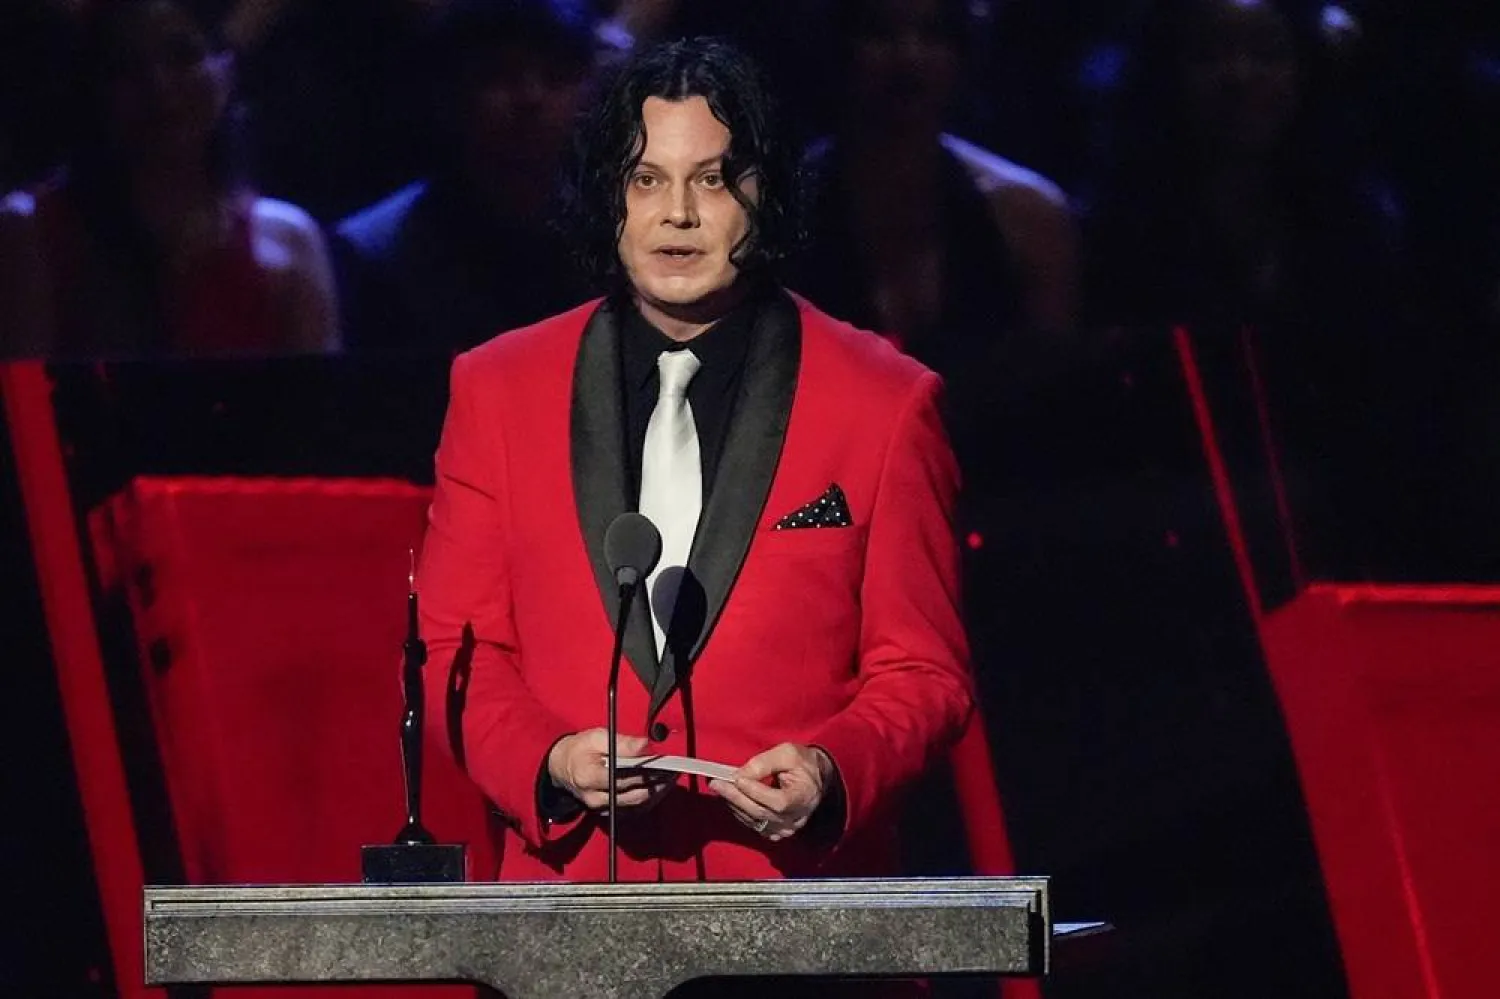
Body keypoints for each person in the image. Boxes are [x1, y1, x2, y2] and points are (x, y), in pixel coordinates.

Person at [416, 37, 973, 894]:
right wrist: (552, 758)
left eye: (713, 179)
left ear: (767, 193)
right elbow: (458, 650)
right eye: (646, 179)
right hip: (572, 927)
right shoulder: (495, 388)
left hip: (802, 931)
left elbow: (923, 670)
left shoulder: (886, 402)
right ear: (609, 196)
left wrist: (831, 768)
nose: (677, 214)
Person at [0, 0, 338, 360]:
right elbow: (26, 403)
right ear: (95, 89)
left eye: (183, 55)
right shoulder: (33, 230)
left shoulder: (290, 238)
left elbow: (317, 408)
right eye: (126, 66)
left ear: (226, 70)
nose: (159, 87)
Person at [333, 0, 595, 354]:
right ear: (448, 96)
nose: (531, 97)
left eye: (556, 76)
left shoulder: (625, 235)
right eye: (500, 75)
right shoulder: (380, 251)